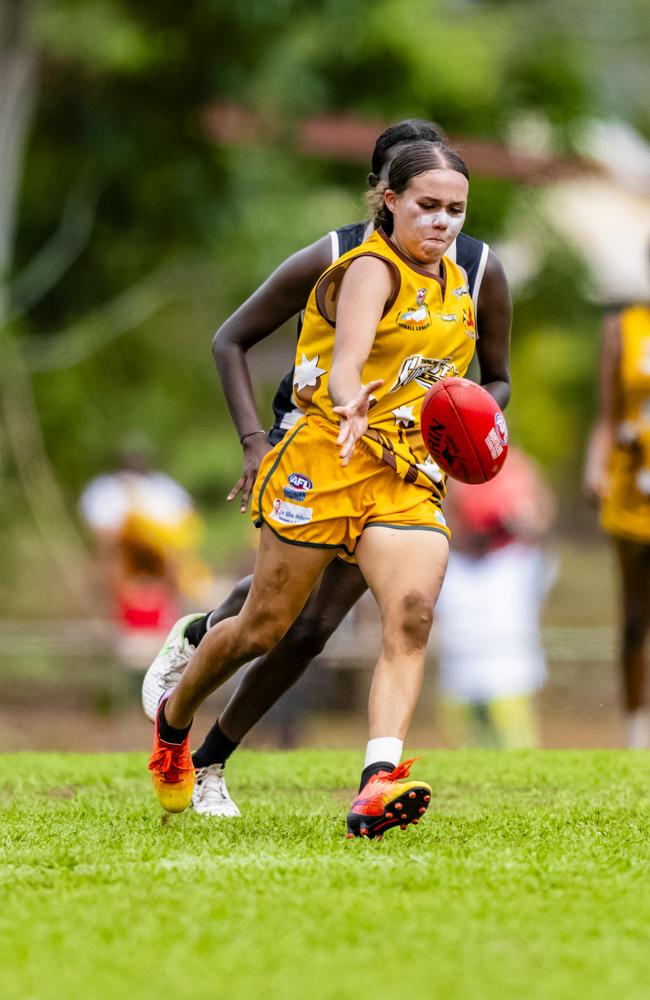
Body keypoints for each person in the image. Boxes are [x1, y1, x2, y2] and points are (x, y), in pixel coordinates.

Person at [142, 120, 511, 819]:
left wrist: (484, 425)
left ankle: (378, 780)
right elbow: (346, 363)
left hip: (404, 471)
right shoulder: (367, 267)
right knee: (266, 627)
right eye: (427, 205)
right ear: (389, 199)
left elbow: (494, 379)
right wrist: (347, 402)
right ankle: (175, 722)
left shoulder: (472, 274)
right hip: (325, 453)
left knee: (411, 613)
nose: (442, 221)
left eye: (455, 209)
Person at [435, 449, 556, 749]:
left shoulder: (518, 465)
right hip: (460, 661)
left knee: (514, 737)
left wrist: (524, 524)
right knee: (465, 740)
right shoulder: (450, 471)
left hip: (509, 659)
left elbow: (542, 516)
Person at [584, 276, 650, 748]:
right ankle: (636, 730)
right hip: (633, 493)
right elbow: (607, 418)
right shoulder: (624, 328)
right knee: (633, 619)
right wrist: (595, 468)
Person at [80, 441, 212, 637]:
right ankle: (117, 620)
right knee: (113, 558)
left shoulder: (162, 486)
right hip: (124, 548)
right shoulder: (106, 488)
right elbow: (102, 529)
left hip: (158, 549)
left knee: (174, 558)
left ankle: (169, 618)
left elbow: (184, 521)